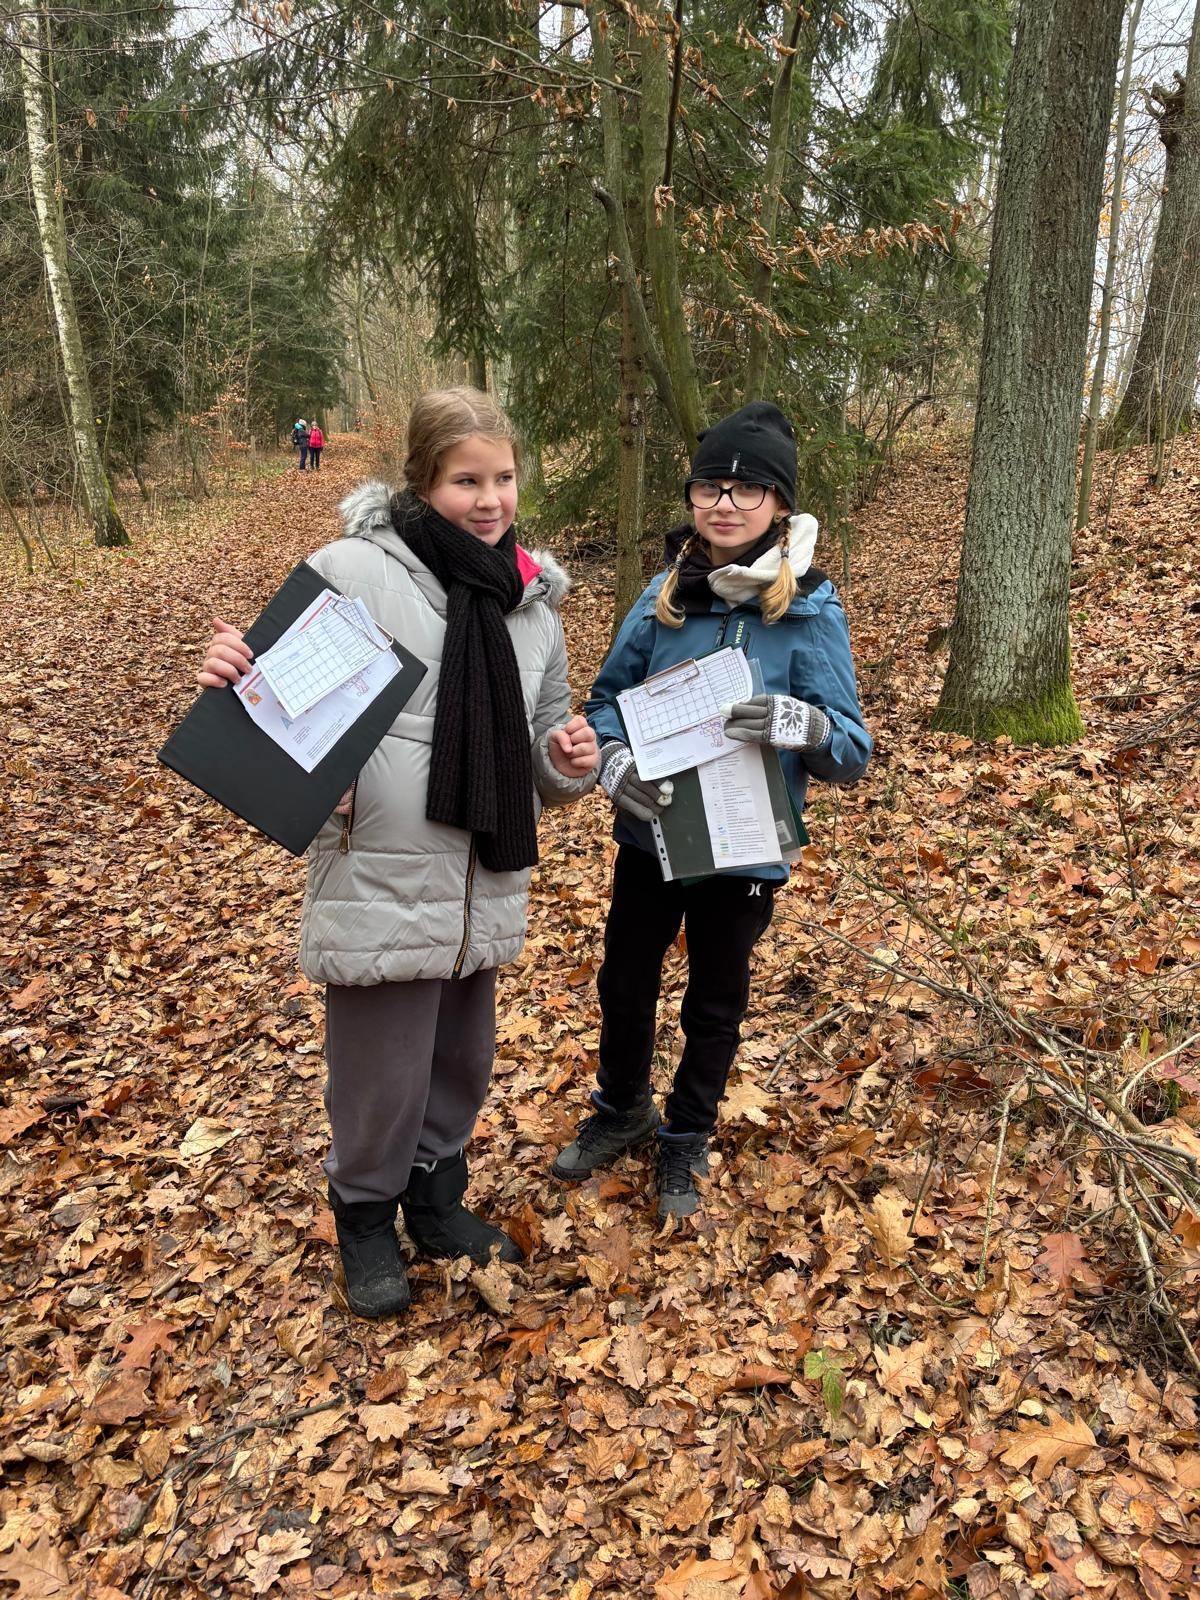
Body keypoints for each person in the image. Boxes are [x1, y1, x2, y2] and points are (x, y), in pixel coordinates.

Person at [197, 388, 599, 1317]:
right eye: (466, 481)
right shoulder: (354, 574)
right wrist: (234, 678)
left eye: (503, 478)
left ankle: (435, 1199)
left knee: (461, 1059)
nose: (490, 500)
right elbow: (274, 709)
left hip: (481, 877)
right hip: (381, 865)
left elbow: (545, 743)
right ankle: (366, 1220)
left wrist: (567, 761)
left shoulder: (533, 607)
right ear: (421, 481)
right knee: (381, 1071)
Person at [552, 401, 872, 1221]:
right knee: (626, 982)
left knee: (714, 1001)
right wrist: (613, 763)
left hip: (745, 847)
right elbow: (605, 702)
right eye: (709, 487)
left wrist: (808, 727)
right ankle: (621, 1109)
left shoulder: (810, 609)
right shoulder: (663, 596)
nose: (725, 504)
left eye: (747, 489)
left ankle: (686, 1135)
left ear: (780, 503)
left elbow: (852, 752)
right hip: (652, 833)